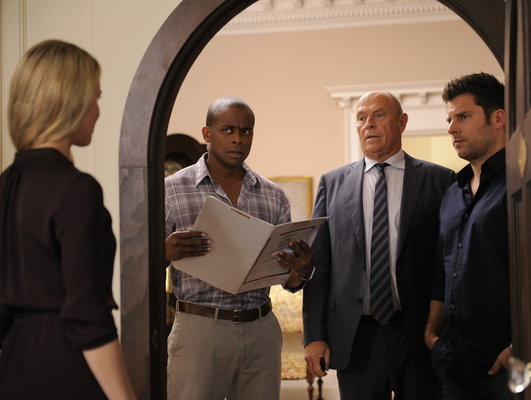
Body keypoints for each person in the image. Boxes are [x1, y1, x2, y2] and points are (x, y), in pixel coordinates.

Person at [0, 40, 136, 399]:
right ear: (69, 102)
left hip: (13, 370)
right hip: (65, 368)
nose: (98, 111)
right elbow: (88, 316)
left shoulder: (5, 184)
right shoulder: (76, 189)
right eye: (95, 97)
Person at [303, 91, 455, 400]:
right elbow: (319, 266)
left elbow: (449, 261)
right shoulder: (332, 183)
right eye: (361, 117)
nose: (368, 124)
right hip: (356, 334)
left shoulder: (440, 180)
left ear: (402, 122)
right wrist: (314, 337)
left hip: (418, 331)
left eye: (379, 115)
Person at [164, 96, 315, 400]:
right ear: (207, 133)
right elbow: (138, 271)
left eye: (245, 131)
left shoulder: (273, 196)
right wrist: (163, 252)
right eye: (228, 130)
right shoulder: (171, 190)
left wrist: (303, 268)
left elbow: (289, 281)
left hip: (261, 329)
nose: (237, 139)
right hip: (199, 329)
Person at [424, 72, 512, 399]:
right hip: (453, 363)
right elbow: (441, 269)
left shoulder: (520, 186)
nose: (451, 128)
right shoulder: (452, 192)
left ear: (498, 118)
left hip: (503, 366)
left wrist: (519, 345)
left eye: (463, 117)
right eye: (449, 119)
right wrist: (432, 333)